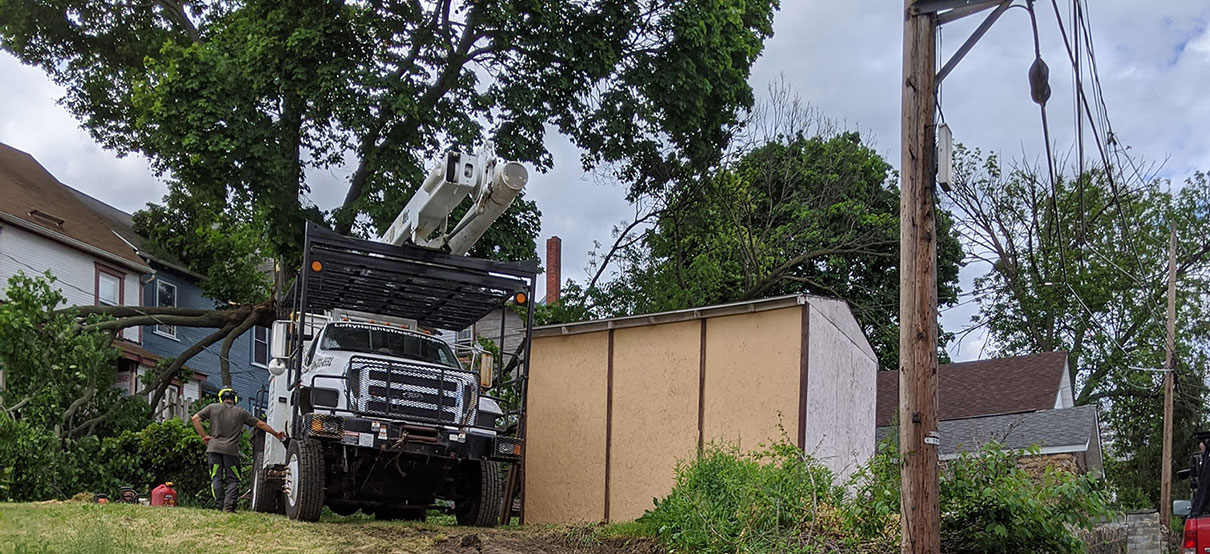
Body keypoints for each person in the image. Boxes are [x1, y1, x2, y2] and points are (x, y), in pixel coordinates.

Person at [191, 388, 286, 512]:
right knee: (233, 479)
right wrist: (275, 433)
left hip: (213, 449)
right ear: (234, 399)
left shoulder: (212, 408)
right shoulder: (241, 412)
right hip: (231, 451)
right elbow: (261, 424)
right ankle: (228, 507)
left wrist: (203, 436)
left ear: (221, 398)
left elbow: (195, 418)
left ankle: (219, 506)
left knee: (216, 477)